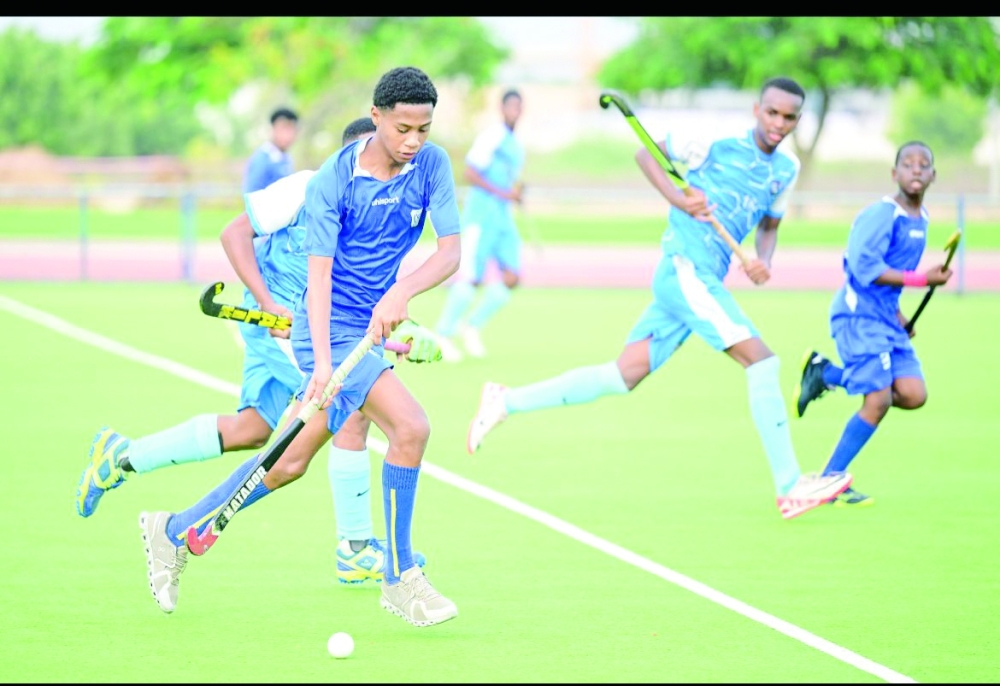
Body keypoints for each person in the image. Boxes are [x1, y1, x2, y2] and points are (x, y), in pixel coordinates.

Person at [136, 67, 462, 628]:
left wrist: (401, 295)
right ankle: (401, 577)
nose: (413, 142)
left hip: (366, 327)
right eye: (403, 128)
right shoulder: (332, 181)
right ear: (377, 117)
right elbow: (321, 276)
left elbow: (450, 251)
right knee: (410, 428)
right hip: (327, 328)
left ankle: (173, 532)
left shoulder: (432, 166)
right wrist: (323, 366)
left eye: (424, 130)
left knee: (288, 461)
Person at [75, 116, 441, 586]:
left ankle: (123, 456)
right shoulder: (308, 187)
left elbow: (365, 296)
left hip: (321, 329)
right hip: (280, 328)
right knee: (348, 411)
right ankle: (353, 548)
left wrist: (407, 332)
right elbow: (234, 234)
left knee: (251, 430)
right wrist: (269, 304)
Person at [467, 77, 853, 520]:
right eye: (772, 113)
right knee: (763, 361)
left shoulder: (786, 169)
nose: (779, 123)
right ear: (756, 109)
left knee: (622, 375)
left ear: (797, 121)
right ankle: (789, 486)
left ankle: (505, 401)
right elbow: (646, 152)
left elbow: (769, 227)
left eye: (789, 117)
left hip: (706, 275)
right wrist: (679, 198)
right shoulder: (716, 141)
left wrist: (761, 260)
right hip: (684, 266)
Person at [793, 141, 951, 507]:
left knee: (912, 395)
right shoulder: (882, 214)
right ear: (894, 174)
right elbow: (866, 271)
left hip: (885, 320)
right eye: (907, 164)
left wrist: (900, 318)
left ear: (932, 175)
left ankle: (825, 374)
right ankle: (831, 480)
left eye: (923, 164)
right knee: (877, 399)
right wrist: (922, 281)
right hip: (858, 317)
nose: (916, 169)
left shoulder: (921, 219)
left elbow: (892, 280)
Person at [433, 89, 525, 361]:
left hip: (503, 220)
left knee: (512, 277)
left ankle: (471, 325)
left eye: (519, 107)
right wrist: (503, 193)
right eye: (511, 106)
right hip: (481, 217)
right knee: (472, 278)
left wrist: (515, 193)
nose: (515, 111)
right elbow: (471, 172)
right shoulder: (493, 135)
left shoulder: (514, 142)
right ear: (502, 108)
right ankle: (443, 333)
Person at [243, 107, 299, 194]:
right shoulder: (262, 160)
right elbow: (251, 197)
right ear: (273, 129)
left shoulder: (286, 158)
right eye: (283, 129)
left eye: (291, 129)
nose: (287, 135)